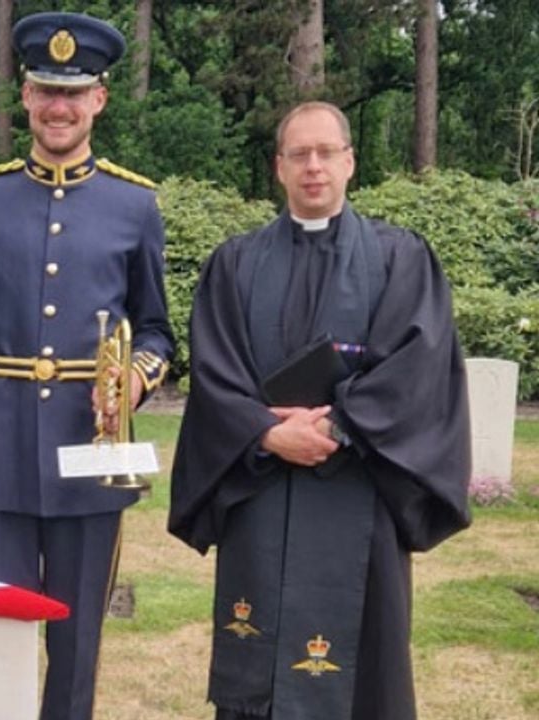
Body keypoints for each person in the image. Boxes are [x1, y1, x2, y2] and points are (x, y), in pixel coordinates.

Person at [169, 101, 471, 720]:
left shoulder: (400, 258)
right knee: (258, 659)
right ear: (279, 167)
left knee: (363, 674)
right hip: (261, 492)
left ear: (350, 162)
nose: (313, 167)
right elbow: (214, 372)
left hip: (360, 488)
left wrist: (335, 425)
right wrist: (266, 434)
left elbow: (417, 370)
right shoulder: (235, 264)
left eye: (326, 152)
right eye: (298, 155)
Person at [0, 12, 174, 720]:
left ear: (100, 98)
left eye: (75, 93)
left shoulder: (136, 204)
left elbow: (158, 330)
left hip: (93, 452)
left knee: (77, 645)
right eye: (45, 90)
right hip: (0, 448)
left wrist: (135, 378)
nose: (59, 107)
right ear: (27, 97)